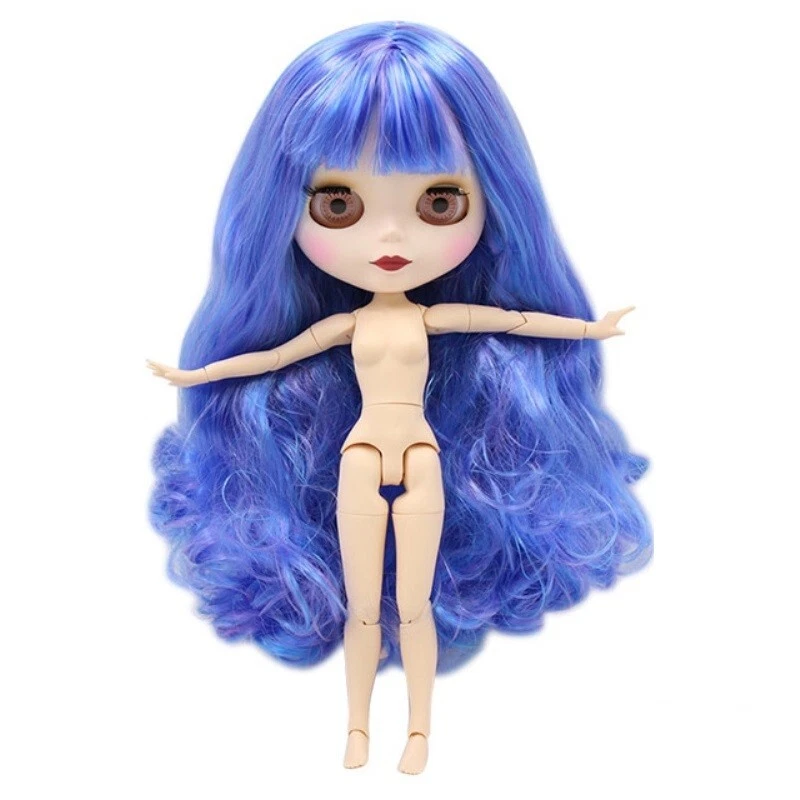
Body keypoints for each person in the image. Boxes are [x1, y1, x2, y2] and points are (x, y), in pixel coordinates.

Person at [147, 20, 652, 775]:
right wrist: (196, 376)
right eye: (338, 205)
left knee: (410, 607)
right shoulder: (345, 324)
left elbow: (514, 320)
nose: (389, 237)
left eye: (438, 202)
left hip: (420, 455)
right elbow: (275, 357)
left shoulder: (434, 318)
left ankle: (418, 732)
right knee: (363, 607)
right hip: (361, 454)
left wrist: (590, 328)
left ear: (494, 200)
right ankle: (357, 728)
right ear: (281, 207)